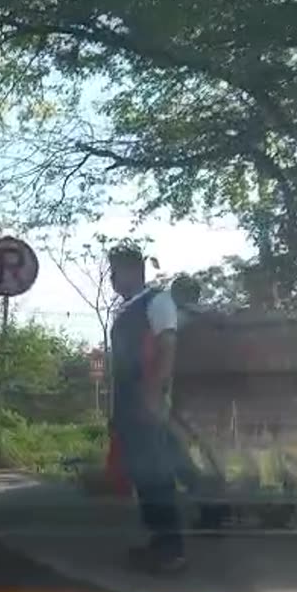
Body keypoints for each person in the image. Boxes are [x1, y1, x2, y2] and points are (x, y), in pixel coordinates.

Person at [106, 245, 186, 574]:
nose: (112, 278)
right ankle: (157, 541)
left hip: (147, 398)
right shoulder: (127, 308)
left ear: (131, 270)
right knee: (142, 474)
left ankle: (172, 549)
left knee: (156, 474)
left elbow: (167, 347)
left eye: (115, 271)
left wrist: (154, 394)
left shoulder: (157, 301)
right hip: (128, 400)